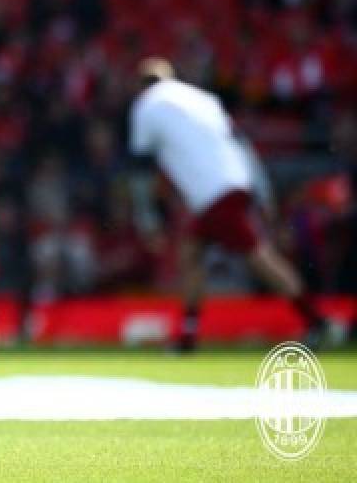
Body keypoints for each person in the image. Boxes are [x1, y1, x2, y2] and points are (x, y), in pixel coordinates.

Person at [128, 57, 333, 351]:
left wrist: (148, 220)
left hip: (213, 194)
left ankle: (317, 321)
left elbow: (140, 166)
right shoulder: (202, 99)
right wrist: (262, 193)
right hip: (237, 181)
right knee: (191, 253)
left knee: (259, 257)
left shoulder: (146, 105)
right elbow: (239, 142)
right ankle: (187, 336)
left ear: (141, 84)